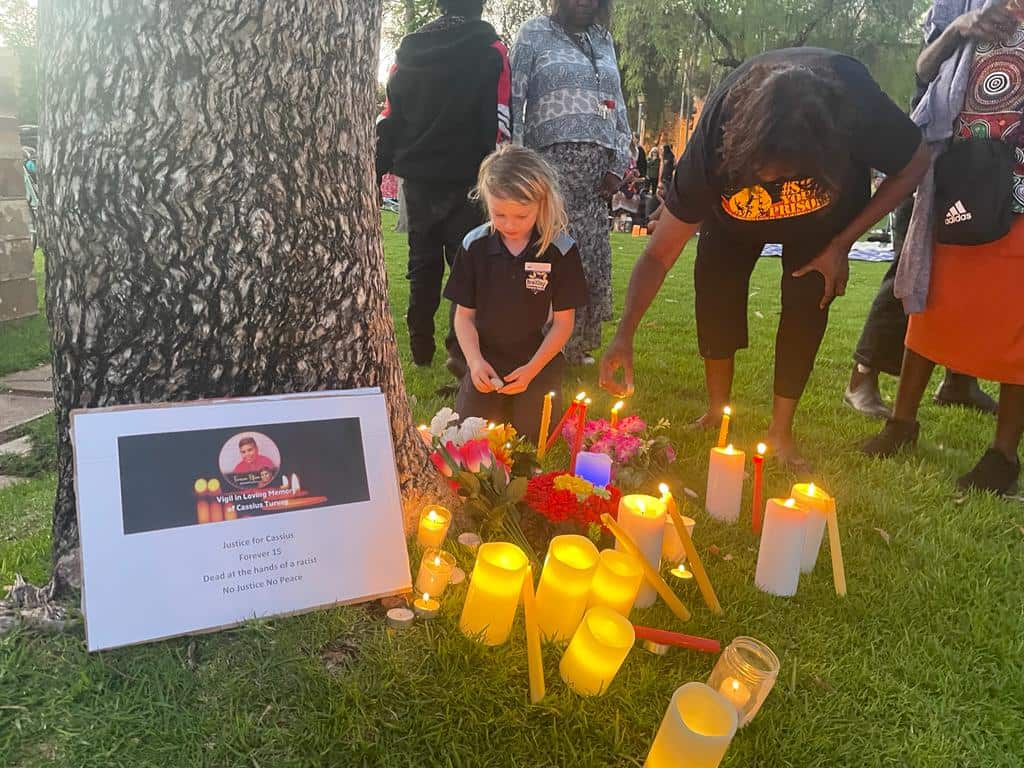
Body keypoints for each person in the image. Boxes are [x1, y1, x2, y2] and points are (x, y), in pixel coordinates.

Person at [599, 48, 930, 469]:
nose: (776, 183)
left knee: (809, 295)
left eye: (790, 172)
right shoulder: (715, 139)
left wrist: (842, 244)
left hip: (822, 219)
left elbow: (916, 163)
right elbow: (660, 254)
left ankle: (780, 431)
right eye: (767, 171)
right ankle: (718, 410)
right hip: (733, 215)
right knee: (716, 280)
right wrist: (624, 332)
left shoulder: (857, 106)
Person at [862, 0, 1023, 495]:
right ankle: (902, 425)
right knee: (930, 298)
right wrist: (960, 27)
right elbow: (924, 68)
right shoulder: (966, 4)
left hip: (1018, 184)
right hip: (957, 168)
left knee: (1016, 312)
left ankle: (1002, 456)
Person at [376, 0, 511, 374]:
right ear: (480, 7)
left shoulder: (408, 52)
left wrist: (377, 170)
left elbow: (390, 116)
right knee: (466, 266)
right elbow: (500, 117)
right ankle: (458, 351)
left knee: (422, 263)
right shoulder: (491, 50)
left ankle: (420, 349)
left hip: (418, 178)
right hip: (469, 176)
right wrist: (498, 173)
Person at [510, 0, 632, 365]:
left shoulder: (604, 39)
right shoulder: (534, 33)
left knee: (588, 264)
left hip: (597, 180)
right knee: (548, 259)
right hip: (549, 171)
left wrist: (620, 160)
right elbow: (516, 99)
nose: (584, 2)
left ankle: (574, 348)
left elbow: (618, 105)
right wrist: (514, 162)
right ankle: (537, 346)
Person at [443, 145, 588, 443]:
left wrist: (532, 369)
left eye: (521, 216)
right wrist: (474, 362)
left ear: (542, 204)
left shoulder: (561, 250)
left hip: (537, 360)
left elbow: (563, 324)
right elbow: (463, 317)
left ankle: (526, 398)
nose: (509, 225)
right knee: (468, 437)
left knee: (536, 436)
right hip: (486, 358)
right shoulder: (474, 245)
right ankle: (481, 392)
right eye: (499, 214)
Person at [845, 197, 996, 418]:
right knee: (908, 278)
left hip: (983, 187)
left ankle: (959, 381)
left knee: (968, 281)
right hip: (929, 186)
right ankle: (862, 377)